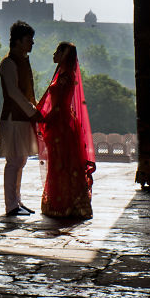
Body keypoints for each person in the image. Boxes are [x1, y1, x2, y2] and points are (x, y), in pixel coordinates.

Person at [36, 41, 96, 220]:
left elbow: (58, 106)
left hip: (61, 124)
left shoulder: (65, 77)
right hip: (60, 124)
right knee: (60, 164)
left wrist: (43, 117)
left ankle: (64, 204)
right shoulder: (62, 75)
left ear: (64, 55)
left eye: (57, 52)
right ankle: (63, 203)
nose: (54, 54)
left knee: (63, 165)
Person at [0, 20, 44, 216]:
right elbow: (14, 93)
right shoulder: (8, 63)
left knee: (21, 161)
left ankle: (16, 201)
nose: (31, 43)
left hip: (23, 118)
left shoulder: (23, 61)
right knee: (14, 161)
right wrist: (33, 111)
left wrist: (33, 111)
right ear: (17, 41)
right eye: (28, 40)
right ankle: (11, 205)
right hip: (13, 118)